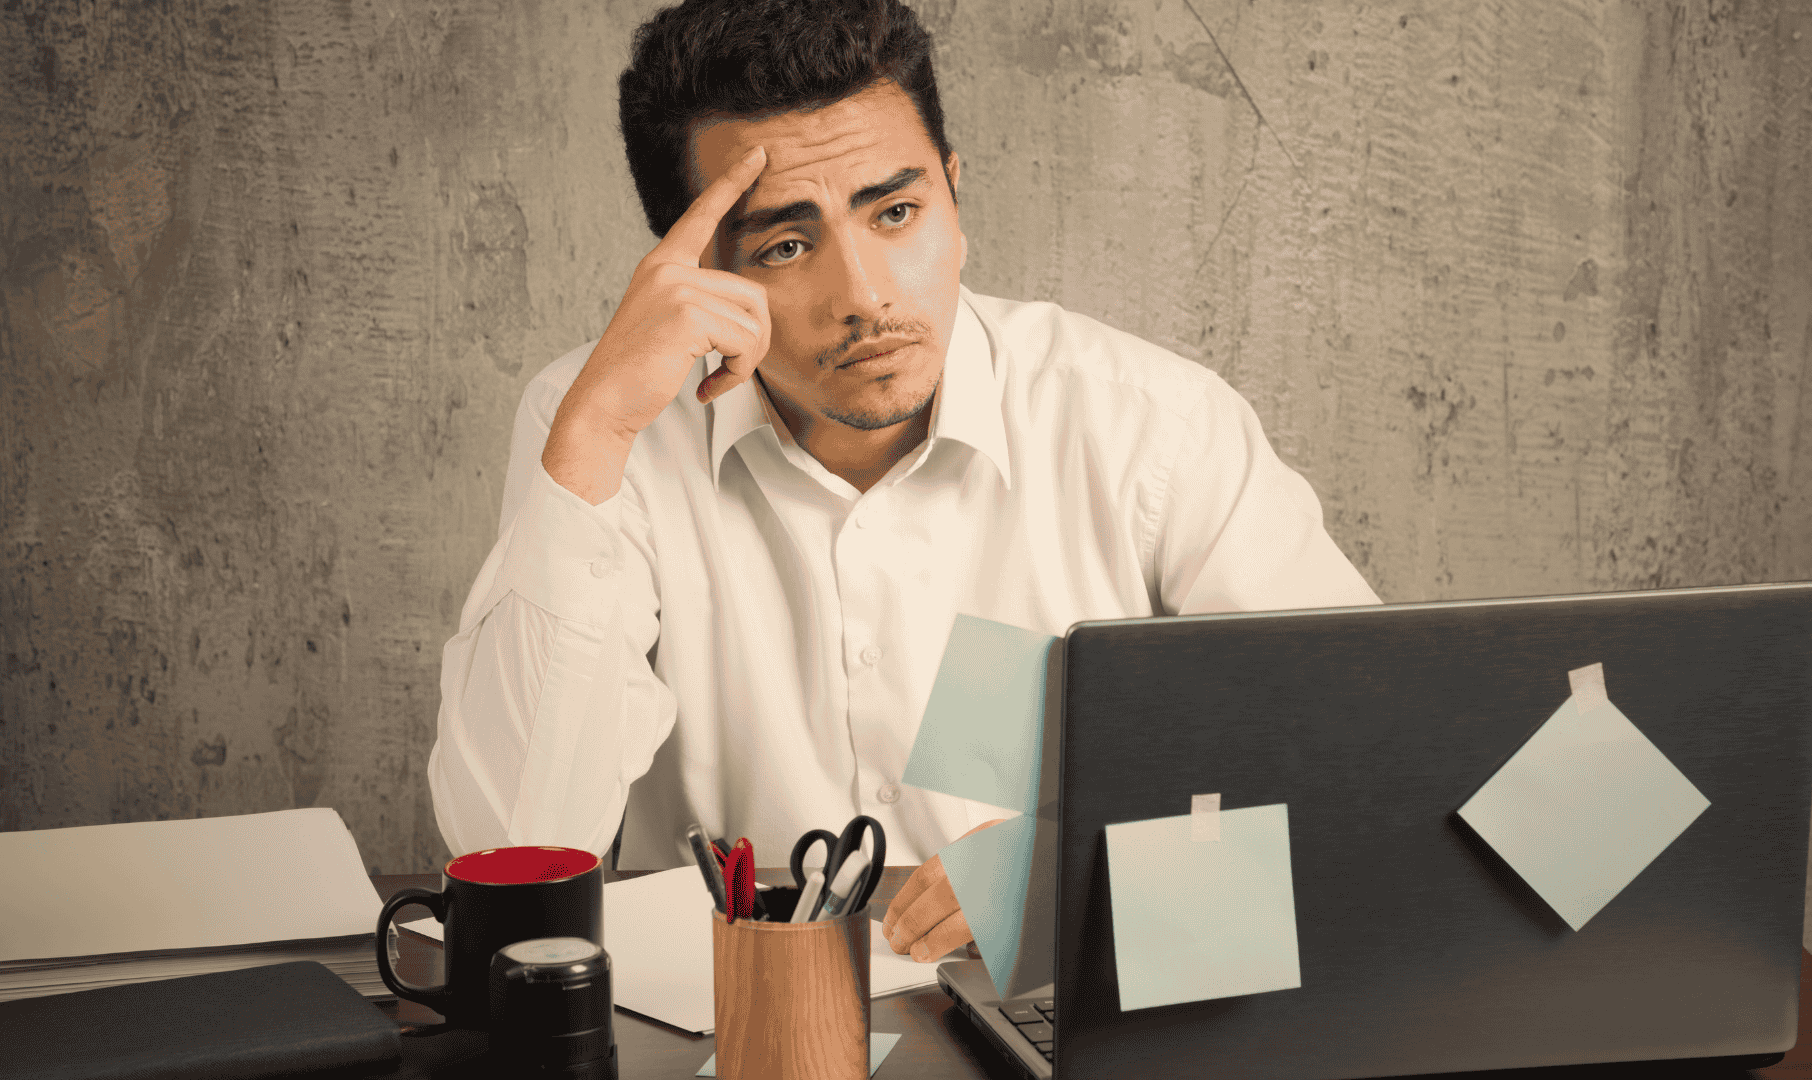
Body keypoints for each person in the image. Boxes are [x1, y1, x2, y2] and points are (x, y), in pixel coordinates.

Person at [428, 0, 1379, 965]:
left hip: (1064, 1019)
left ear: (955, 197)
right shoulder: (600, 424)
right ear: (691, 268)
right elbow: (510, 849)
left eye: (896, 213)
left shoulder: (1152, 428)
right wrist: (594, 434)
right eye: (785, 246)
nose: (868, 296)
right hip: (739, 1037)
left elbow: (1372, 777)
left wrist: (1102, 877)